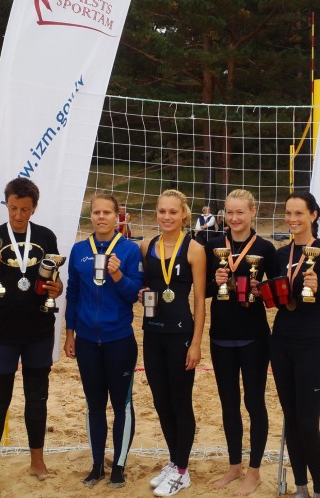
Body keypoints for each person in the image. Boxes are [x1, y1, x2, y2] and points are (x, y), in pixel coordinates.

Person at [0, 178, 63, 498]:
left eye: (24, 209)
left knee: (37, 399)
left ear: (34, 208)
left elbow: (55, 283)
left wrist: (57, 289)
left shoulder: (46, 237)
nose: (18, 215)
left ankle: (37, 461)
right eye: (13, 208)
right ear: (6, 205)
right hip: (1, 335)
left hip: (38, 332)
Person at [269, 191, 320, 498]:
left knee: (307, 424)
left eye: (299, 213)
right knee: (291, 419)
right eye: (288, 213)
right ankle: (300, 487)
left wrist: (319, 291)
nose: (292, 219)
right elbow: (278, 296)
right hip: (281, 343)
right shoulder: (281, 255)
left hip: (312, 346)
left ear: (314, 215)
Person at [63, 194, 143, 488]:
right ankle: (97, 464)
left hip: (119, 339)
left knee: (122, 404)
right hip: (86, 341)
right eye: (96, 212)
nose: (101, 217)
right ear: (91, 216)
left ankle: (119, 466)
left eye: (107, 212)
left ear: (117, 216)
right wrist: (70, 333)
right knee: (94, 404)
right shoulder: (79, 250)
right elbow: (73, 293)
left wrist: (118, 274)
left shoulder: (129, 249)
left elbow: (135, 294)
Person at [204, 189, 278, 496]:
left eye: (240, 212)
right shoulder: (211, 245)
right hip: (220, 336)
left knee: (254, 402)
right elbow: (203, 291)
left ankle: (254, 471)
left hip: (254, 337)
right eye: (230, 212)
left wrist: (262, 290)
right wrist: (216, 282)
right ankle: (234, 465)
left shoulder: (265, 248)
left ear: (253, 212)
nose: (234, 218)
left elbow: (277, 295)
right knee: (229, 402)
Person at [139, 189, 207, 497]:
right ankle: (174, 461)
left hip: (181, 335)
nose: (167, 217)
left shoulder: (194, 249)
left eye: (173, 212)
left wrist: (196, 343)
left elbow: (200, 301)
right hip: (152, 333)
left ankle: (182, 470)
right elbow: (143, 287)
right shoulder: (146, 246)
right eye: (162, 211)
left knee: (180, 401)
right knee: (160, 401)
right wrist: (140, 293)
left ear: (184, 215)